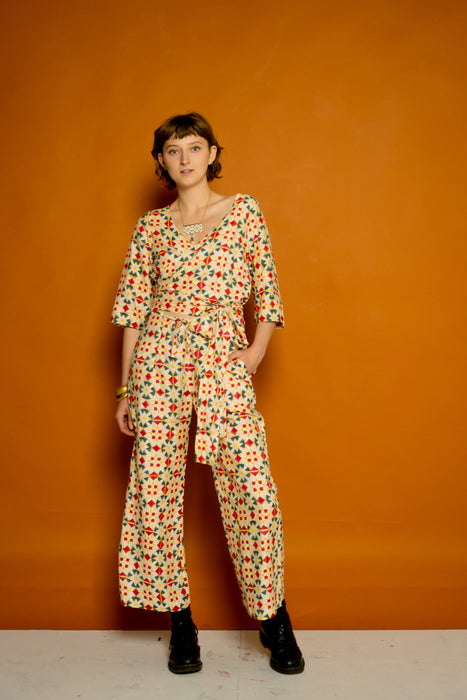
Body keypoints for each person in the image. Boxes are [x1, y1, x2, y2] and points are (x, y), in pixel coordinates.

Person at [112, 112, 304, 675]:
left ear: (213, 153)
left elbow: (267, 289)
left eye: (194, 147)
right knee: (155, 489)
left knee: (250, 486)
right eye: (173, 151)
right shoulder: (151, 228)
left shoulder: (243, 212)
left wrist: (255, 352)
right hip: (158, 360)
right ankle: (180, 623)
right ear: (162, 161)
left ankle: (273, 618)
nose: (185, 159)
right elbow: (133, 311)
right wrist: (126, 389)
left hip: (222, 357)